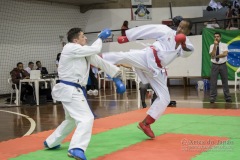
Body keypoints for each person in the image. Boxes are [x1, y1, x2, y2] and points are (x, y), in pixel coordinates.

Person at [102, 19, 194, 139]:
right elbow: (148, 30)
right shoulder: (167, 31)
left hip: (157, 69)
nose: (180, 29)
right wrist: (127, 37)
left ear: (188, 31)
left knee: (165, 98)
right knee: (123, 56)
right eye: (179, 26)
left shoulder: (187, 43)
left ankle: (145, 123)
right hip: (148, 57)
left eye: (183, 28)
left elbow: (188, 52)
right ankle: (95, 59)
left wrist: (183, 44)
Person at [43, 27, 125, 160]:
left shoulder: (82, 52)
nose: (86, 38)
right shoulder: (70, 48)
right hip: (71, 89)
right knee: (86, 118)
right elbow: (95, 49)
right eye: (83, 36)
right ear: (76, 40)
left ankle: (52, 141)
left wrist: (116, 76)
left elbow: (98, 61)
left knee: (71, 120)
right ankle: (76, 148)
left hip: (73, 90)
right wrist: (100, 37)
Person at [209, 32, 232, 103]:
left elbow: (225, 54)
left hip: (223, 65)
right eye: (215, 36)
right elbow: (212, 54)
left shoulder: (224, 45)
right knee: (213, 82)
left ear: (220, 37)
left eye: (218, 36)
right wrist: (215, 46)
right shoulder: (211, 46)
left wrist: (216, 56)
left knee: (225, 81)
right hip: (214, 65)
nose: (216, 38)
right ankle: (212, 98)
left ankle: (228, 97)